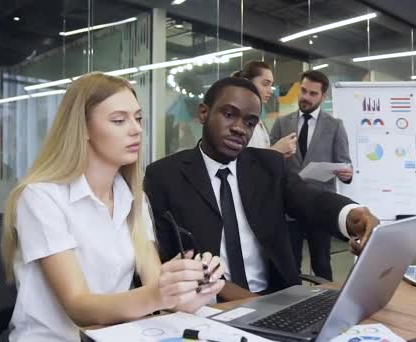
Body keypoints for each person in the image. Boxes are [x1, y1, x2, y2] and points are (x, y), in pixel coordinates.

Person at [0, 73, 225, 342]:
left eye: (138, 118)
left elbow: (157, 292)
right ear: (82, 128)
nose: (136, 129)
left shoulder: (133, 197)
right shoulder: (40, 197)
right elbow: (78, 306)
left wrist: (192, 283)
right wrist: (158, 294)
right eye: (119, 120)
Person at [144, 77, 379, 301]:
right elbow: (170, 255)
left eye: (249, 122)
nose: (239, 128)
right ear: (204, 113)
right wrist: (232, 294)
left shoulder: (269, 165)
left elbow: (311, 200)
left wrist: (351, 215)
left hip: (276, 298)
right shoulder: (165, 176)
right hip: (208, 303)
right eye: (228, 115)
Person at [270, 70, 353, 281]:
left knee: (322, 263)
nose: (305, 97)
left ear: (323, 96)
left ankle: (327, 305)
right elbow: (268, 163)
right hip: (289, 206)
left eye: (313, 94)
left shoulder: (335, 126)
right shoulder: (281, 123)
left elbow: (345, 162)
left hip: (320, 205)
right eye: (303, 91)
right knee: (290, 262)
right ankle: (293, 307)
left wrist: (346, 174)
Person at [232, 61, 297, 158]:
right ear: (247, 83)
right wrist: (276, 150)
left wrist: (279, 153)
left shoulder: (258, 121)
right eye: (265, 84)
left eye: (271, 85)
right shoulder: (236, 120)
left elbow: (258, 160)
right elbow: (236, 161)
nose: (270, 91)